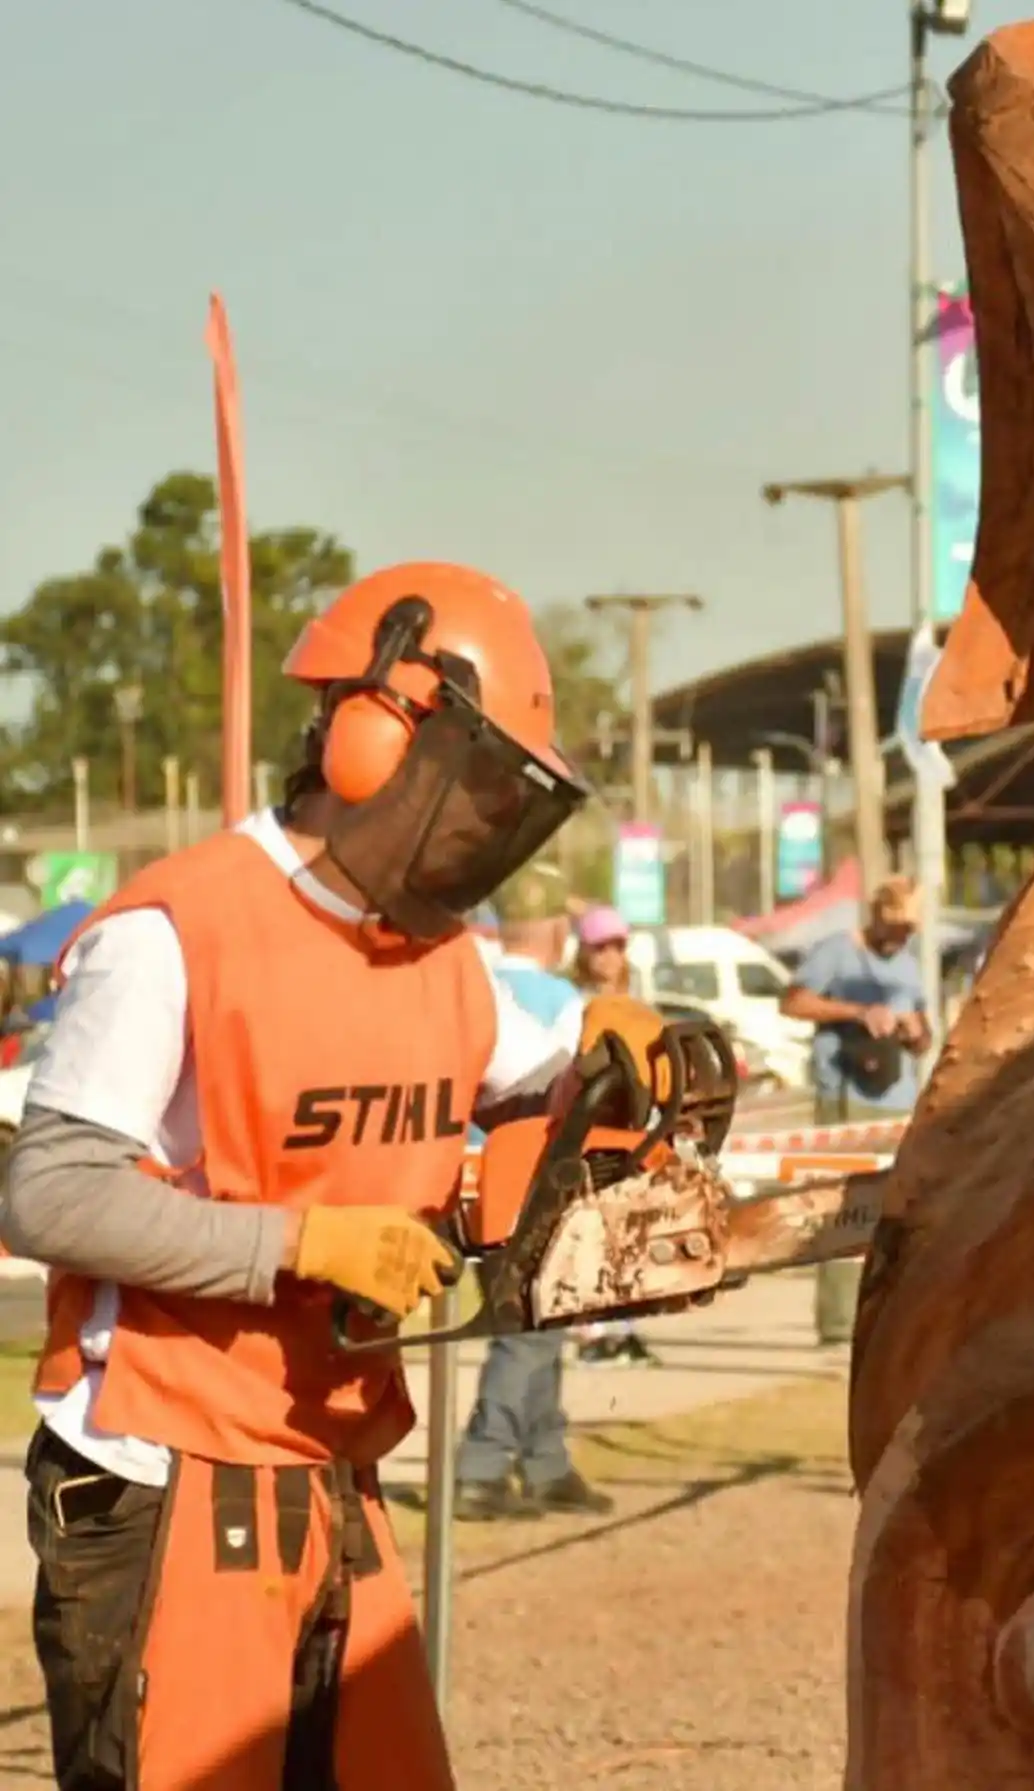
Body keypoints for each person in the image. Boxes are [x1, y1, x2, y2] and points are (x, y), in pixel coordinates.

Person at [0, 562, 591, 1791]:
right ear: (370, 733)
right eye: (472, 782)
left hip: (329, 1461)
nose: (482, 824)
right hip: (165, 1468)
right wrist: (302, 1244)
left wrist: (619, 1061)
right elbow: (51, 1193)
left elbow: (540, 1086)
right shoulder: (175, 932)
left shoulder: (443, 955)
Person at [455, 872, 614, 1522]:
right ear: (556, 931)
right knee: (528, 1330)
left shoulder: (478, 985)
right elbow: (570, 1092)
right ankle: (481, 1466)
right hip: (527, 1181)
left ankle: (547, 1462)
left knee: (541, 1322)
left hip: (465, 1180)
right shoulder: (564, 1000)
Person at [779, 875, 931, 1345]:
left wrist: (913, 1031)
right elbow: (793, 1003)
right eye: (895, 929)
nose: (900, 939)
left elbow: (924, 1037)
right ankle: (838, 1322)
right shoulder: (837, 952)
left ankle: (885, 1317)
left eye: (909, 932)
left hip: (895, 1099)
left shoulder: (908, 967)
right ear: (877, 917)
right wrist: (857, 1013)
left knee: (893, 1214)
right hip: (846, 1098)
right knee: (841, 1213)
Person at [568, 904, 659, 1367]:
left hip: (633, 1124)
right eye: (600, 947)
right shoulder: (574, 1002)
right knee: (588, 1227)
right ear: (583, 953)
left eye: (616, 946)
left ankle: (625, 1327)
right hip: (588, 1126)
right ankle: (590, 1330)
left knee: (629, 1228)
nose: (609, 956)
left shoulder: (638, 999)